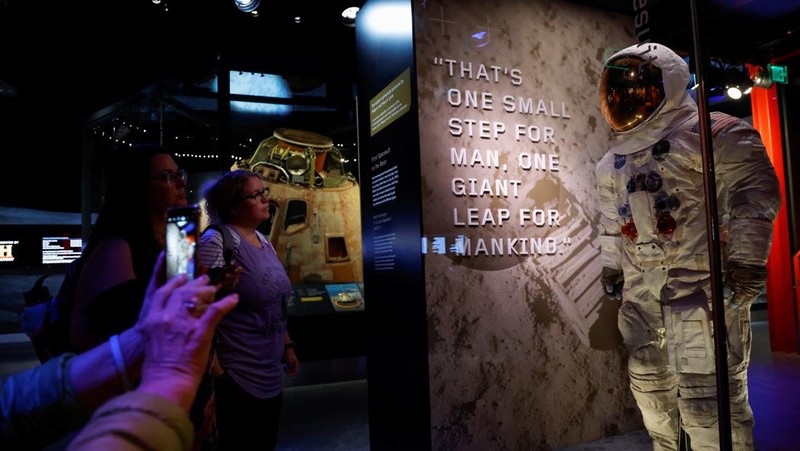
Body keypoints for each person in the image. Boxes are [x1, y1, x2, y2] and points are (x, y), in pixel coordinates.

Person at [595, 42, 781, 450]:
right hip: (642, 290)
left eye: (637, 91)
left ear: (669, 84)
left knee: (708, 401)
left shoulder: (714, 134)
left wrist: (747, 263)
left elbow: (756, 195)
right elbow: (611, 222)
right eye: (619, 93)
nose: (627, 100)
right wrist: (611, 267)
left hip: (701, 284)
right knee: (650, 390)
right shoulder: (611, 163)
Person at [1, 252, 239, 450]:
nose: (181, 193)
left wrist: (138, 339)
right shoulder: (110, 251)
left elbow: (8, 406)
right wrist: (169, 377)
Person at [198, 169, 299, 451]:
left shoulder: (264, 242)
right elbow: (200, 310)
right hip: (237, 375)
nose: (266, 199)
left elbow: (275, 302)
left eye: (263, 191)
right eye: (256, 195)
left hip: (269, 374)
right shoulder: (217, 241)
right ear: (232, 204)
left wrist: (287, 346)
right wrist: (220, 375)